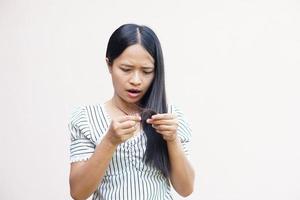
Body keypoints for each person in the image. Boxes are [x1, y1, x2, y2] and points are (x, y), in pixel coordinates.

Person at [68, 23, 195, 200]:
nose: (136, 80)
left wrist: (172, 139)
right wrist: (110, 141)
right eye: (126, 69)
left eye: (146, 71)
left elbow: (186, 188)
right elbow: (78, 192)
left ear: (156, 71)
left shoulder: (169, 116)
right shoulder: (86, 118)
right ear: (109, 65)